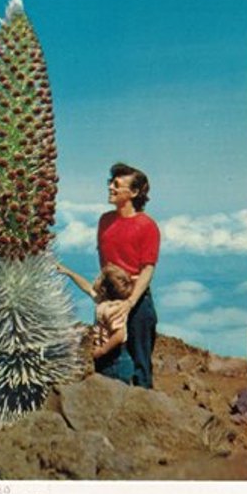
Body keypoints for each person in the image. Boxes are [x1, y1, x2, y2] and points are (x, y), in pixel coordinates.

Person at [97, 162, 160, 388]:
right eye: (110, 183)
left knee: (140, 361)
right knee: (107, 357)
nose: (110, 188)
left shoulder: (147, 226)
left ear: (133, 192)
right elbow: (104, 262)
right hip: (110, 298)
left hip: (137, 298)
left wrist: (131, 302)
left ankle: (145, 413)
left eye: (117, 185)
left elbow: (148, 268)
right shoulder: (105, 221)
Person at [57, 262, 135, 384]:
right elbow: (87, 287)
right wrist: (69, 272)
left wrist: (102, 350)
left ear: (104, 288)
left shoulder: (112, 308)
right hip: (106, 362)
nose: (96, 279)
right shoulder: (102, 301)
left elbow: (119, 334)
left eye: (100, 278)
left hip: (115, 362)